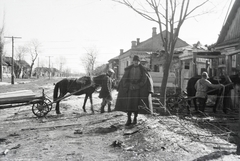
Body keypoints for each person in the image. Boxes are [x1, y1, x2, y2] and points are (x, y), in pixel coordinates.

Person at [115, 55, 154, 126]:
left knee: (136, 105)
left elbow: (145, 80)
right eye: (134, 61)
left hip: (138, 90)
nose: (136, 62)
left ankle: (135, 118)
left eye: (137, 61)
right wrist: (129, 85)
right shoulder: (128, 69)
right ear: (133, 61)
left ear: (139, 62)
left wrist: (138, 85)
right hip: (130, 89)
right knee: (129, 104)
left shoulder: (143, 70)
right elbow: (125, 79)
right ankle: (129, 119)